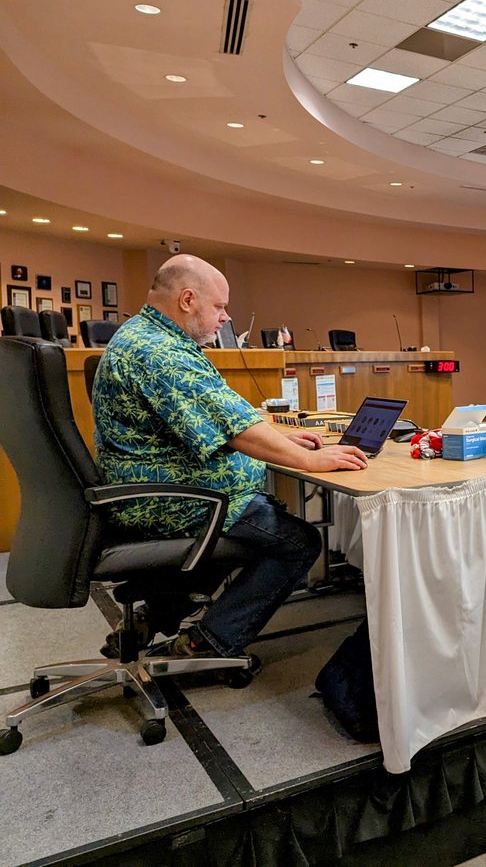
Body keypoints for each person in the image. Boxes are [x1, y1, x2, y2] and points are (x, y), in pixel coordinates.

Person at [93, 254, 369, 664]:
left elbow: (223, 417)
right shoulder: (160, 353)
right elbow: (238, 430)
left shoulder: (147, 337)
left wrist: (285, 438)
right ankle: (210, 640)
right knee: (297, 541)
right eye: (220, 306)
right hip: (175, 500)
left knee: (255, 525)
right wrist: (308, 461)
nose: (225, 317)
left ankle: (156, 615)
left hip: (163, 491)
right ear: (188, 299)